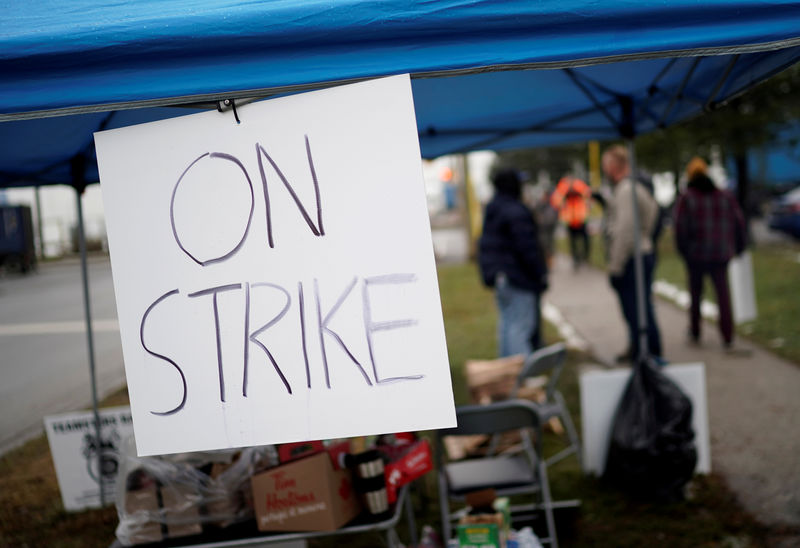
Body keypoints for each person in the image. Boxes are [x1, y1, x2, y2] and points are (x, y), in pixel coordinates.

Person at [673, 157, 747, 353]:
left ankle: (696, 331)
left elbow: (680, 228)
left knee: (696, 294)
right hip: (721, 253)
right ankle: (727, 335)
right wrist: (739, 247)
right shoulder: (724, 195)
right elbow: (739, 222)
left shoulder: (687, 197)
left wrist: (683, 250)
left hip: (696, 254)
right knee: (722, 294)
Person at [601, 145, 662, 362]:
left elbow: (624, 231)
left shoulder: (626, 189)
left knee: (637, 311)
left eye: (605, 164)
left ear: (614, 165)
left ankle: (648, 355)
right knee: (641, 308)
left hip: (632, 258)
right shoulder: (635, 186)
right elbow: (653, 212)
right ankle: (641, 350)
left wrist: (616, 266)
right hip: (641, 253)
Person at [478, 168, 548, 357]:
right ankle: (522, 377)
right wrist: (540, 274)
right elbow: (527, 248)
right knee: (521, 327)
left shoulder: (493, 209)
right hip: (518, 278)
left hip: (501, 278)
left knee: (508, 325)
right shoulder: (516, 211)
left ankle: (508, 373)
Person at [551, 174, 592, 269]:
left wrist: (578, 193)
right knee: (572, 241)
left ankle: (585, 257)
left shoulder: (579, 185)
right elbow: (556, 200)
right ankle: (575, 259)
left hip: (580, 217)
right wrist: (566, 195)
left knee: (585, 240)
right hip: (569, 219)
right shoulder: (562, 186)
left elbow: (587, 195)